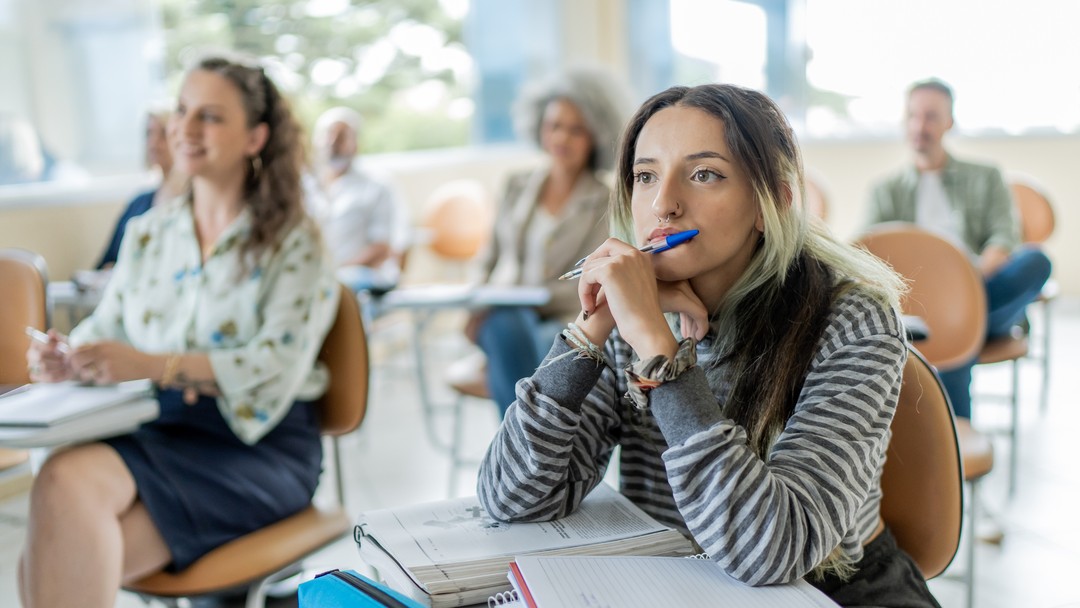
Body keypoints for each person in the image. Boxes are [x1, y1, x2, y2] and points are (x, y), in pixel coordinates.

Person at [478, 83, 941, 607]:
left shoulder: (854, 319)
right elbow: (511, 498)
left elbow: (770, 552)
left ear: (774, 203)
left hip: (829, 591)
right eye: (646, 175)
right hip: (680, 584)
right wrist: (593, 326)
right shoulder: (633, 317)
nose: (663, 205)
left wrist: (659, 349)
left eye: (704, 174)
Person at [19, 54, 339, 608]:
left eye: (210, 117)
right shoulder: (147, 235)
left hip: (257, 446)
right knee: (61, 502)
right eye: (182, 110)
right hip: (161, 429)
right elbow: (107, 330)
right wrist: (69, 358)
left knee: (54, 539)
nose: (185, 129)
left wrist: (152, 365)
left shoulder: (295, 241)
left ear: (255, 137)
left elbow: (273, 367)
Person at [865, 78, 1051, 419]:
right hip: (916, 300)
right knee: (950, 322)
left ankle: (964, 323)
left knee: (1035, 261)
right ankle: (958, 453)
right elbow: (870, 253)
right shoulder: (885, 190)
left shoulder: (986, 176)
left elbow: (1003, 238)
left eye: (931, 117)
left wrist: (963, 286)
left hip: (975, 287)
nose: (921, 126)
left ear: (949, 121)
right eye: (913, 116)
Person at [468, 66, 628, 417]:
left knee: (527, 338)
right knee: (503, 324)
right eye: (554, 125)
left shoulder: (606, 201)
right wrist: (475, 301)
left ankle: (518, 446)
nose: (562, 138)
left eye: (576, 129)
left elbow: (596, 276)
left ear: (596, 136)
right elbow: (488, 259)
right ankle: (534, 442)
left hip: (565, 321)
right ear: (540, 127)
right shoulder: (515, 185)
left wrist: (526, 301)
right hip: (505, 315)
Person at [308, 106, 408, 295]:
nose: (332, 142)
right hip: (322, 278)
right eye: (327, 134)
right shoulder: (306, 186)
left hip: (363, 278)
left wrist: (335, 272)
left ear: (356, 143)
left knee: (339, 287)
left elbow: (381, 249)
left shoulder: (378, 186)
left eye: (342, 136)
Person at [96, 110, 189, 269]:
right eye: (149, 134)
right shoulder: (137, 203)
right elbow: (106, 262)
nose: (153, 142)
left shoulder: (192, 202)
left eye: (162, 134)